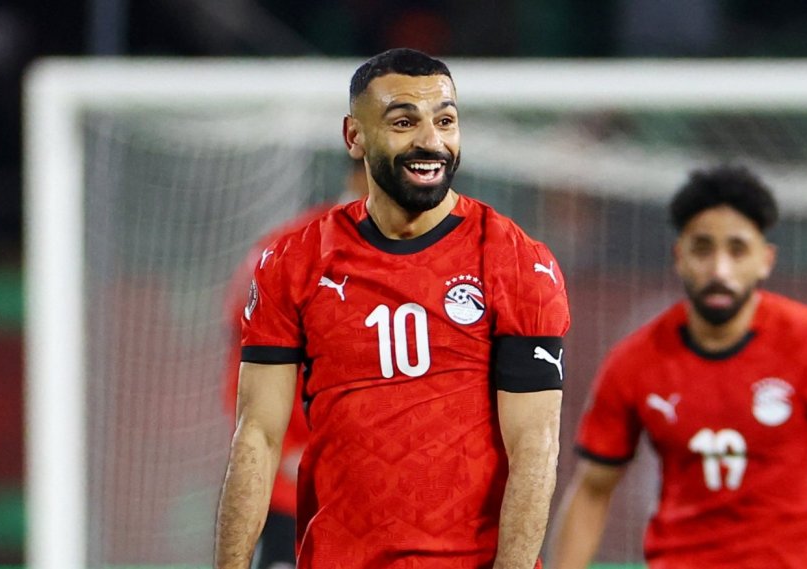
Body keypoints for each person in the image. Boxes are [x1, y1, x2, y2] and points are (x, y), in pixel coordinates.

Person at [214, 48, 570, 569]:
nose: (431, 141)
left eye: (445, 120)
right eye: (405, 121)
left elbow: (535, 449)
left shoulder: (517, 263)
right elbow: (259, 437)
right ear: (354, 136)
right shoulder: (292, 261)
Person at [551, 165, 807, 569]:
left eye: (737, 250)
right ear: (679, 257)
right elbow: (592, 489)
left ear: (765, 260)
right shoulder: (635, 360)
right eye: (702, 249)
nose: (719, 270)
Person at [220, 161, 369, 569]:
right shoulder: (289, 250)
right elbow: (245, 363)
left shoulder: (443, 258)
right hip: (297, 496)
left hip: (398, 498)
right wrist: (287, 452)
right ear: (359, 172)